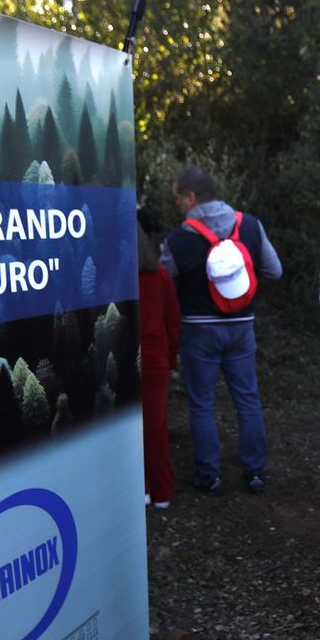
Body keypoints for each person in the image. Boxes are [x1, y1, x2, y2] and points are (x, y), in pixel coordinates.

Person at [161, 166, 282, 494]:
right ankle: (255, 471)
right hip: (242, 326)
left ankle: (209, 474)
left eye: (176, 199)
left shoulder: (178, 239)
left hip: (199, 331)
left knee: (201, 402)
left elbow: (165, 286)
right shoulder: (251, 225)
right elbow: (275, 270)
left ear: (190, 198)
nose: (176, 206)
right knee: (247, 398)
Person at [137, 209, 181, 509]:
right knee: (156, 427)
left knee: (131, 431)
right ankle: (162, 491)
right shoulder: (160, 276)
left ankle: (143, 489)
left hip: (129, 361)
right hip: (155, 361)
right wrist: (171, 358)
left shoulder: (109, 276)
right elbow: (173, 322)